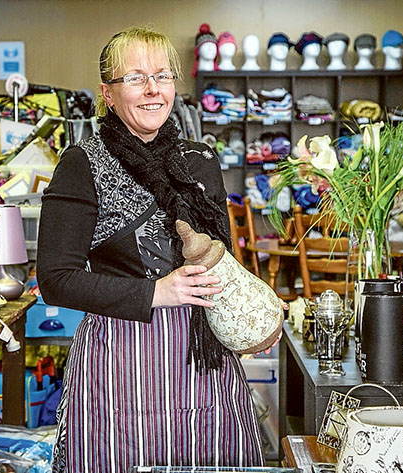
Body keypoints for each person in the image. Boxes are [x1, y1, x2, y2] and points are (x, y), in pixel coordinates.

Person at [38, 26, 273, 473]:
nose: (153, 90)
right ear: (108, 93)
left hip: (206, 360)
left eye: (163, 77)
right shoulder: (82, 164)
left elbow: (221, 258)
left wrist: (252, 313)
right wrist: (157, 293)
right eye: (136, 78)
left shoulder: (199, 160)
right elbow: (56, 280)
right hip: (122, 364)